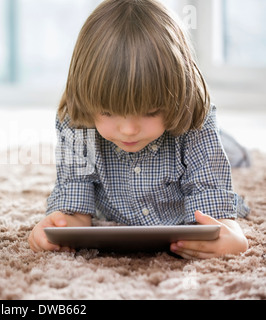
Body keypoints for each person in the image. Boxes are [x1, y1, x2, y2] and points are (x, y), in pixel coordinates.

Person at [28, 0, 250, 259]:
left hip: (196, 143)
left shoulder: (194, 117)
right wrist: (58, 228)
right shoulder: (76, 123)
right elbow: (74, 205)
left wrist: (232, 237)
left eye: (150, 111)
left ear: (177, 95)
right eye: (109, 112)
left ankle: (233, 147)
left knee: (234, 155)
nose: (129, 129)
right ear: (88, 102)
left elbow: (215, 206)